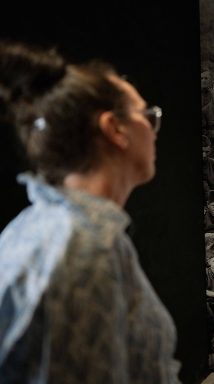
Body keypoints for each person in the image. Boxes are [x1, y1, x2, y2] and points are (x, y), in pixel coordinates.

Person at [0, 41, 180, 382]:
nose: (155, 131)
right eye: (148, 116)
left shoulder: (57, 230)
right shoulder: (82, 250)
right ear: (115, 129)